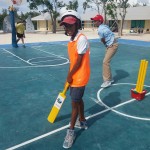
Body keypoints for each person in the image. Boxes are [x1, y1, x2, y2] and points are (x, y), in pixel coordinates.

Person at [60, 9, 90, 149]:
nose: (68, 28)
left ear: (77, 24)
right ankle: (83, 120)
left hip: (79, 76)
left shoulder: (81, 38)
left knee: (74, 105)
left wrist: (70, 75)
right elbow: (73, 61)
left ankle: (71, 131)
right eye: (65, 25)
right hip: (74, 75)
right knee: (78, 100)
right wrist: (70, 74)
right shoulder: (72, 38)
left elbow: (78, 61)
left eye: (70, 25)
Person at [91, 14, 118, 88]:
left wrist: (106, 44)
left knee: (105, 62)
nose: (94, 22)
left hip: (112, 45)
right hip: (112, 44)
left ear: (99, 21)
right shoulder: (104, 26)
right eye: (93, 20)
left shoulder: (100, 30)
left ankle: (107, 81)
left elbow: (102, 40)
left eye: (95, 21)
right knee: (106, 62)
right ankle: (110, 78)